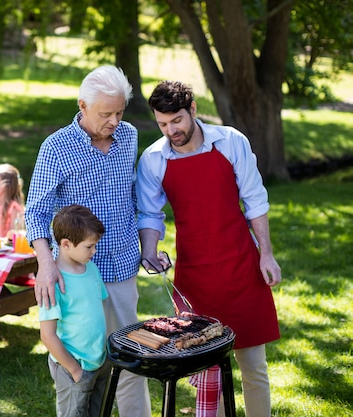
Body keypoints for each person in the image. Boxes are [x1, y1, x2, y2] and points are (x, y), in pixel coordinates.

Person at [136, 80, 281, 417]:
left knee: (253, 366)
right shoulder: (154, 159)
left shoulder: (231, 142)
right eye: (162, 124)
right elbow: (149, 213)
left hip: (242, 266)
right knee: (205, 373)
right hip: (195, 276)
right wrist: (150, 251)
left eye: (177, 121)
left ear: (193, 110)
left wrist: (267, 254)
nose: (171, 130)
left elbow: (255, 200)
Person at [26, 65, 152, 417]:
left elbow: (134, 197)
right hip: (78, 275)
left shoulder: (128, 136)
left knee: (130, 357)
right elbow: (35, 212)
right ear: (82, 105)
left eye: (120, 111)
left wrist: (148, 246)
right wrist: (46, 264)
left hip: (122, 262)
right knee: (81, 366)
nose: (114, 121)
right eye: (105, 113)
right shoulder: (56, 147)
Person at [39, 204, 111, 417]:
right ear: (66, 244)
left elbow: (99, 308)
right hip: (74, 367)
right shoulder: (52, 283)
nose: (94, 251)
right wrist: (74, 370)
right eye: (89, 247)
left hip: (99, 360)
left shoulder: (92, 269)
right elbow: (47, 335)